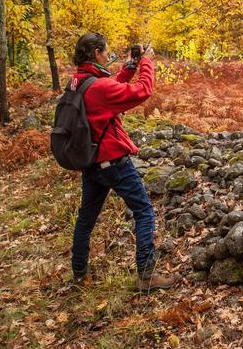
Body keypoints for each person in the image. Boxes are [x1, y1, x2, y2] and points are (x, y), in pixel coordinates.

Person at [68, 32, 177, 291]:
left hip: (90, 161)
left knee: (86, 218)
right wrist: (147, 62)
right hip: (113, 162)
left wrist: (129, 67)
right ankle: (146, 275)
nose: (108, 56)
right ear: (96, 53)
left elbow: (108, 90)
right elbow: (142, 91)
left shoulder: (78, 81)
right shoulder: (98, 86)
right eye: (105, 52)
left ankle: (79, 273)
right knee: (144, 211)